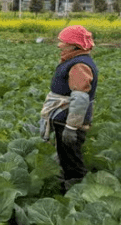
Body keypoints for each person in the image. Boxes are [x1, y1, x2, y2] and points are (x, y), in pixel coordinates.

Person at [39, 25, 97, 193]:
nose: (59, 45)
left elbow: (80, 98)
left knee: (71, 160)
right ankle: (67, 188)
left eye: (63, 42)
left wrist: (71, 127)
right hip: (63, 117)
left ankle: (79, 193)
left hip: (67, 119)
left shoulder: (79, 65)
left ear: (74, 45)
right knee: (65, 157)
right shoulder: (75, 60)